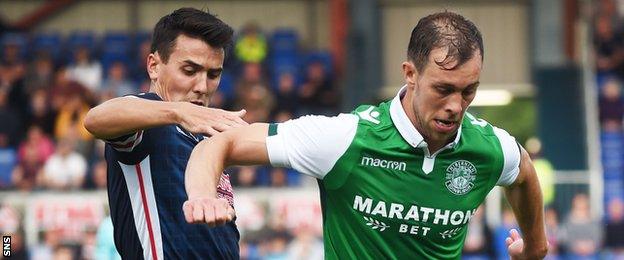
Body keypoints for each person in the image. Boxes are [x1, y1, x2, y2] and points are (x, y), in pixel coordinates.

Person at [183, 11, 548, 259]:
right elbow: (221, 143)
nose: (456, 105)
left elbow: (524, 172)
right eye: (443, 89)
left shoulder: (489, 148)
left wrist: (536, 247)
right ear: (410, 73)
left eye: (468, 91)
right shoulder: (344, 138)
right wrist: (202, 196)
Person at [84, 7, 246, 259]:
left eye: (213, 74)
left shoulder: (205, 130)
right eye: (190, 71)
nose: (203, 87)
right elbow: (95, 119)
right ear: (153, 66)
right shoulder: (147, 123)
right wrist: (177, 112)